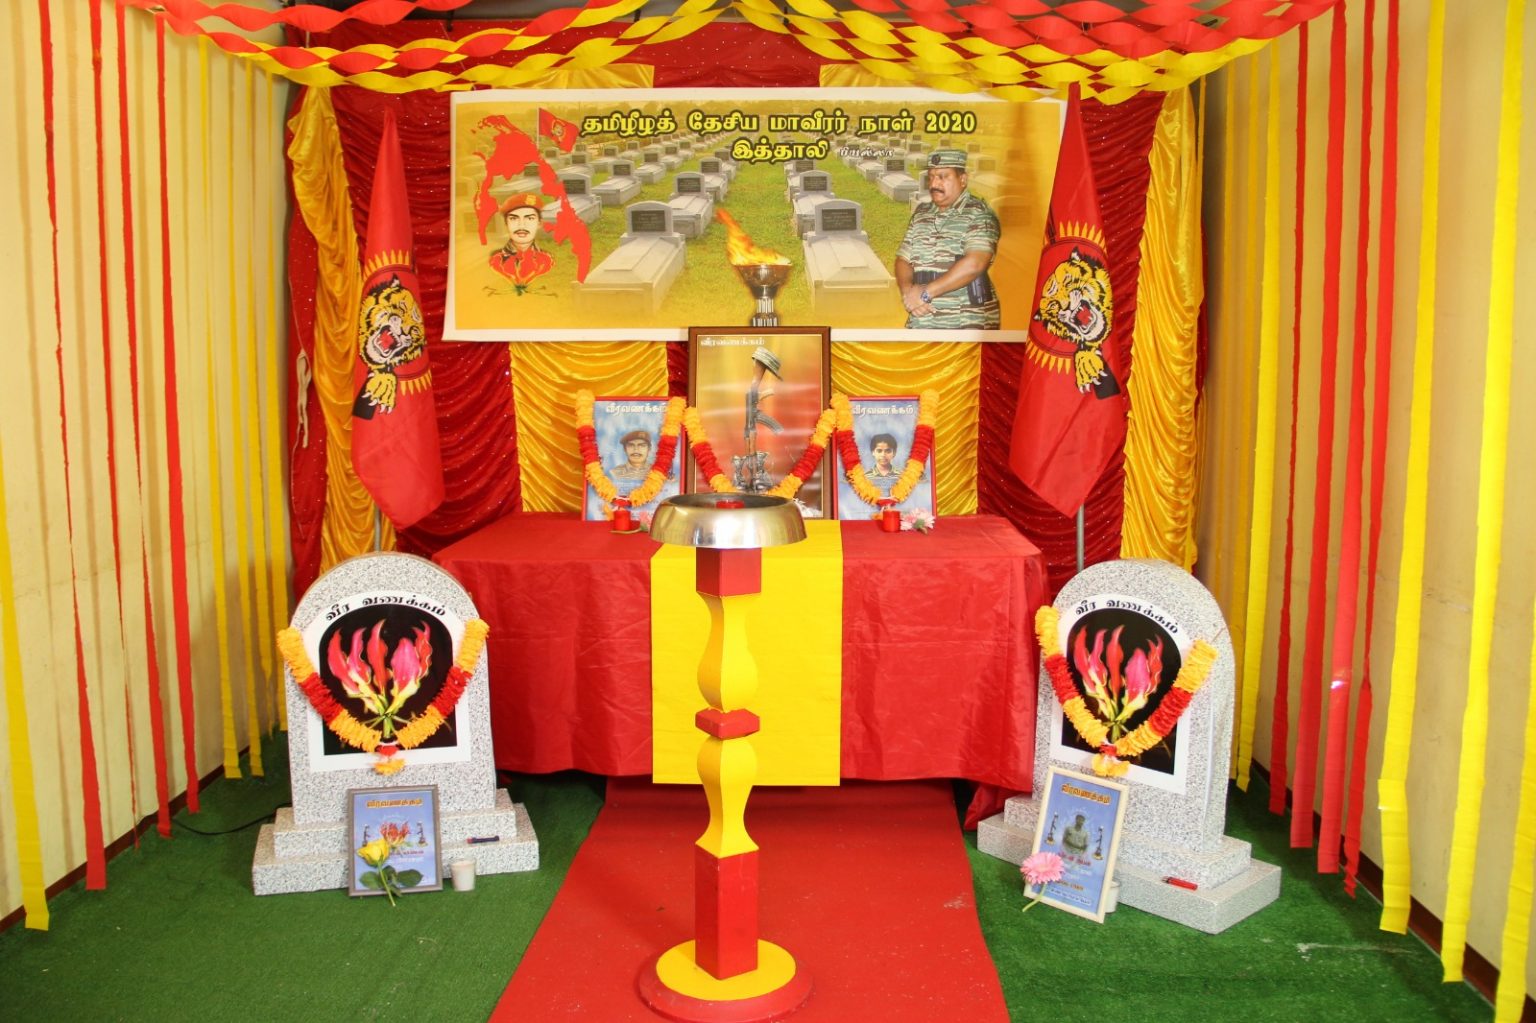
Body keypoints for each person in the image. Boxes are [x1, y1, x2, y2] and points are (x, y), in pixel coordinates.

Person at [894, 149, 1001, 329]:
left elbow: (975, 263)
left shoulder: (979, 214)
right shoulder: (922, 214)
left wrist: (925, 294)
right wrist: (908, 292)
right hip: (922, 316)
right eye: (931, 177)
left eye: (942, 177)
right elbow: (903, 260)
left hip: (966, 318)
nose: (934, 184)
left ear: (963, 179)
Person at [488, 192, 554, 291]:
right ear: (506, 224)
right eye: (513, 218)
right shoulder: (496, 258)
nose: (521, 225)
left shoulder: (545, 259)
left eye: (530, 218)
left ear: (539, 224)